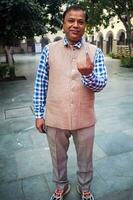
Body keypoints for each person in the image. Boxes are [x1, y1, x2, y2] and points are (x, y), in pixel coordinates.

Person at [33, 5, 107, 200]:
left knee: (85, 158)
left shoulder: (95, 52)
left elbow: (101, 84)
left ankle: (84, 188)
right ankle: (61, 186)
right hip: (55, 117)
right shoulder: (49, 50)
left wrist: (88, 74)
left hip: (85, 118)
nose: (76, 25)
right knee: (57, 158)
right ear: (63, 24)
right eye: (71, 21)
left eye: (80, 22)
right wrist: (39, 115)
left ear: (85, 26)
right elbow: (41, 83)